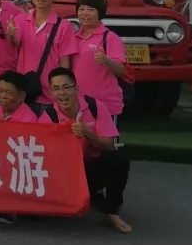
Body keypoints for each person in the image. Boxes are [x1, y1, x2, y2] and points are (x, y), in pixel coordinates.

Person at [40, 67, 131, 233]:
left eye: (66, 87)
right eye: (56, 88)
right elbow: (42, 155)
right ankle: (83, 196)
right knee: (41, 216)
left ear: (76, 88)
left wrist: (87, 133)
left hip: (91, 167)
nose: (62, 93)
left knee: (119, 157)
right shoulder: (48, 116)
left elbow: (109, 145)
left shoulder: (95, 106)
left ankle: (111, 212)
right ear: (51, 93)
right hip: (66, 174)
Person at [9, 0, 78, 108]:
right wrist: (11, 35)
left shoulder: (63, 26)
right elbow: (15, 43)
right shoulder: (21, 19)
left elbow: (64, 61)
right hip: (26, 89)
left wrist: (62, 88)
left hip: (51, 94)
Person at [71, 0, 129, 121]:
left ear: (100, 13)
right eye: (81, 9)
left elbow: (121, 71)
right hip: (77, 103)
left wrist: (107, 60)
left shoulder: (110, 37)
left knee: (106, 135)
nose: (85, 13)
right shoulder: (72, 36)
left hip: (104, 104)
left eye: (91, 10)